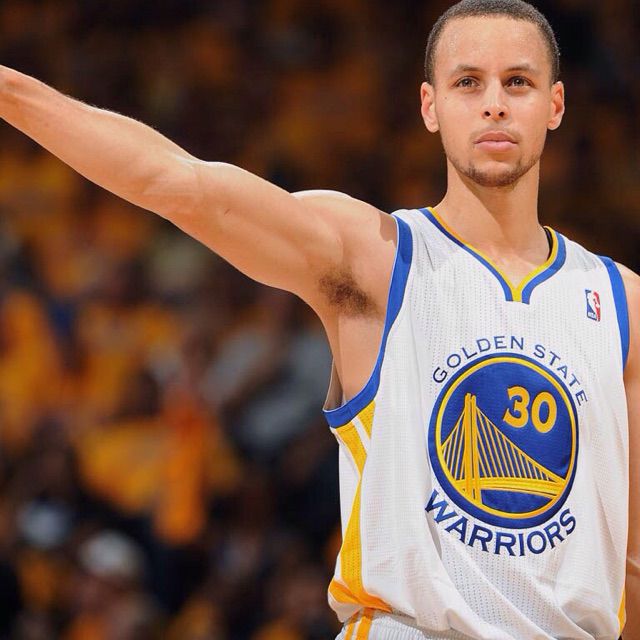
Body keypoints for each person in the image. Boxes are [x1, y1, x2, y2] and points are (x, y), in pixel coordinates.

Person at [0, 0, 637, 637]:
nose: (494, 103)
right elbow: (178, 183)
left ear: (555, 105)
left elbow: (631, 561)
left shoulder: (622, 302)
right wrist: (11, 92)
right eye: (468, 82)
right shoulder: (374, 257)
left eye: (517, 82)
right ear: (430, 106)